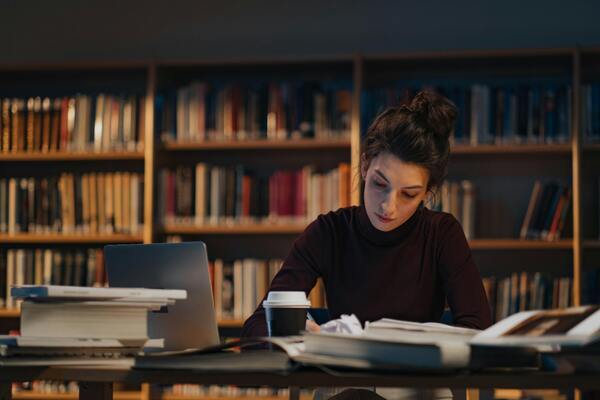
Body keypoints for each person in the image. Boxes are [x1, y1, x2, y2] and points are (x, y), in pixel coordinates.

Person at [242, 90, 492, 340]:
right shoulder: (329, 232)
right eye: (380, 185)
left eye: (409, 194)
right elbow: (258, 325)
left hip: (416, 377)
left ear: (427, 193)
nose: (388, 207)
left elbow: (478, 329)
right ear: (364, 166)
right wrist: (298, 338)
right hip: (344, 377)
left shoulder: (442, 234)